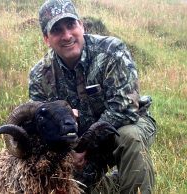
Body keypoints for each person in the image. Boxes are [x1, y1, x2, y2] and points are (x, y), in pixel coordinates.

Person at [28, 0, 157, 193]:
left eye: (71, 25)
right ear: (46, 38)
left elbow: (126, 108)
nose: (67, 35)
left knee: (129, 137)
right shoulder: (40, 75)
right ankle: (115, 185)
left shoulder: (111, 51)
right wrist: (67, 153)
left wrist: (84, 145)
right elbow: (40, 127)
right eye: (57, 30)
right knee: (68, 179)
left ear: (81, 25)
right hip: (77, 144)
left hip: (126, 124)